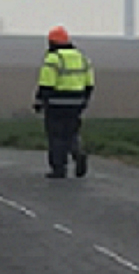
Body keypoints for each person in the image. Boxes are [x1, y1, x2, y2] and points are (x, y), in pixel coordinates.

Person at [33, 25, 95, 178]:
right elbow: (90, 83)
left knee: (56, 136)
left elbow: (46, 83)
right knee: (71, 132)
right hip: (77, 102)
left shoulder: (53, 59)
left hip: (56, 103)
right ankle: (77, 152)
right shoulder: (82, 57)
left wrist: (39, 101)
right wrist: (84, 100)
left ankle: (59, 168)